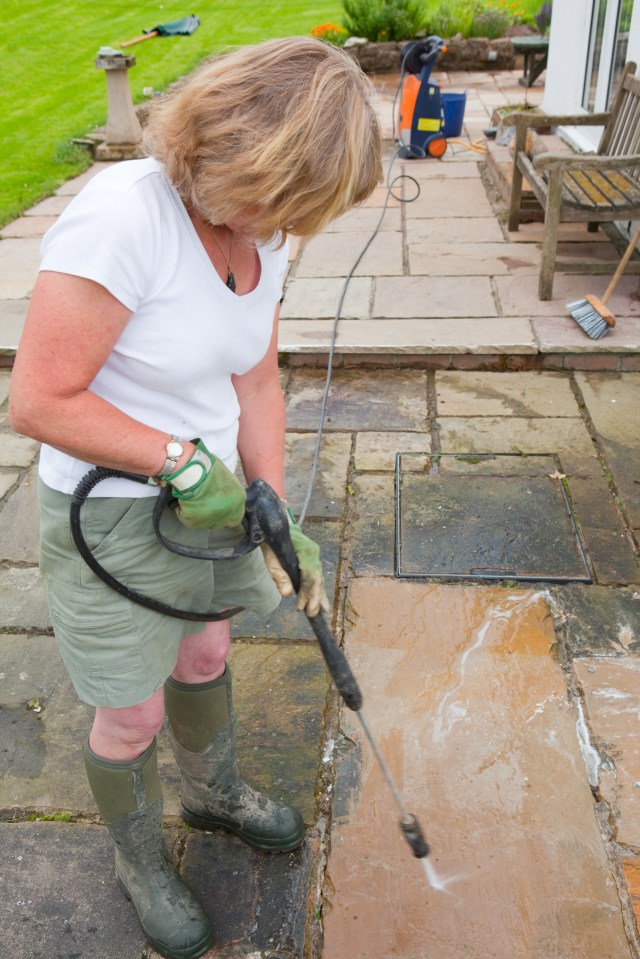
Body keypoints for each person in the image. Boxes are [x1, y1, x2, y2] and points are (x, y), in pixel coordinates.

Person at [9, 36, 381, 959]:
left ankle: (212, 794)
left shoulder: (259, 233)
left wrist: (272, 507)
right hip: (112, 511)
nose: (287, 228)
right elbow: (39, 399)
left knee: (208, 653)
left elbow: (256, 381)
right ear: (233, 154)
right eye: (284, 201)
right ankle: (139, 860)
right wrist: (178, 461)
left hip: (210, 498)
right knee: (130, 709)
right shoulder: (122, 221)